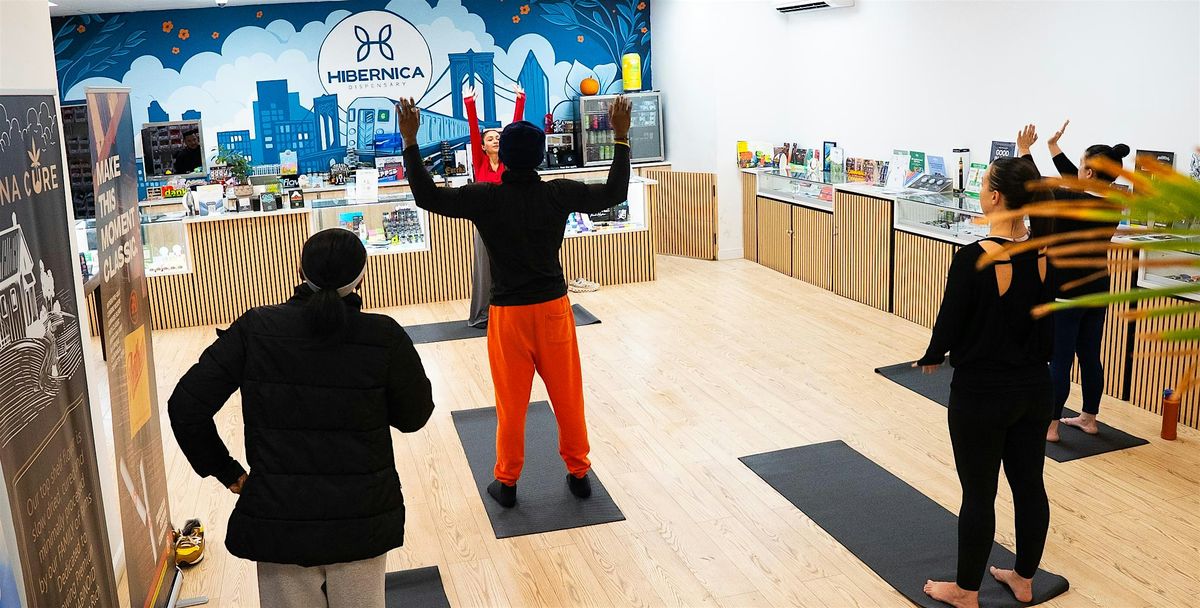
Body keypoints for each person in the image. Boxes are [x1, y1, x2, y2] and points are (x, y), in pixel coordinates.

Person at [167, 228, 435, 608]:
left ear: (299, 271)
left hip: (279, 518)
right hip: (362, 517)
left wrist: (228, 472)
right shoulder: (384, 336)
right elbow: (414, 417)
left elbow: (185, 406)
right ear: (362, 277)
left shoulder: (256, 328)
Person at [395, 94, 632, 508]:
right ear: (540, 157)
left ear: (500, 155)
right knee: (568, 398)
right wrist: (621, 137)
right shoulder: (557, 193)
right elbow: (614, 191)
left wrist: (410, 142)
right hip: (553, 310)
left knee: (511, 404)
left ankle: (506, 483)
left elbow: (427, 197)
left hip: (508, 317)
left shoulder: (485, 197)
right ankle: (579, 473)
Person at [915, 154, 1055, 608]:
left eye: (983, 186)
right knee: (1029, 485)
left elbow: (950, 321)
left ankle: (966, 591)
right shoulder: (1045, 251)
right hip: (1035, 389)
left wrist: (933, 355)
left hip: (982, 395)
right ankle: (1024, 579)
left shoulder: (972, 258)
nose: (979, 192)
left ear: (995, 197)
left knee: (979, 493)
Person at [1020, 120, 1126, 441]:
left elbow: (1034, 184)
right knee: (1090, 355)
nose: (1077, 170)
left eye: (1081, 165)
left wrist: (1025, 150)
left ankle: (1050, 426)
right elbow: (1079, 181)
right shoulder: (1113, 202)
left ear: (1089, 172)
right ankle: (1089, 419)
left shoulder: (1067, 199)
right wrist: (1054, 148)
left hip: (1066, 291)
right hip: (1097, 290)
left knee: (1060, 358)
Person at [465, 85, 526, 329]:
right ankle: (483, 314)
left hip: (508, 221)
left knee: (510, 267)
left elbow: (515, 128)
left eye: (498, 138)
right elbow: (473, 131)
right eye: (490, 139)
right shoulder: (479, 162)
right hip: (485, 223)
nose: (495, 140)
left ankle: (511, 312)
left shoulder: (508, 162)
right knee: (484, 269)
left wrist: (520, 100)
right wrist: (470, 103)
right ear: (483, 146)